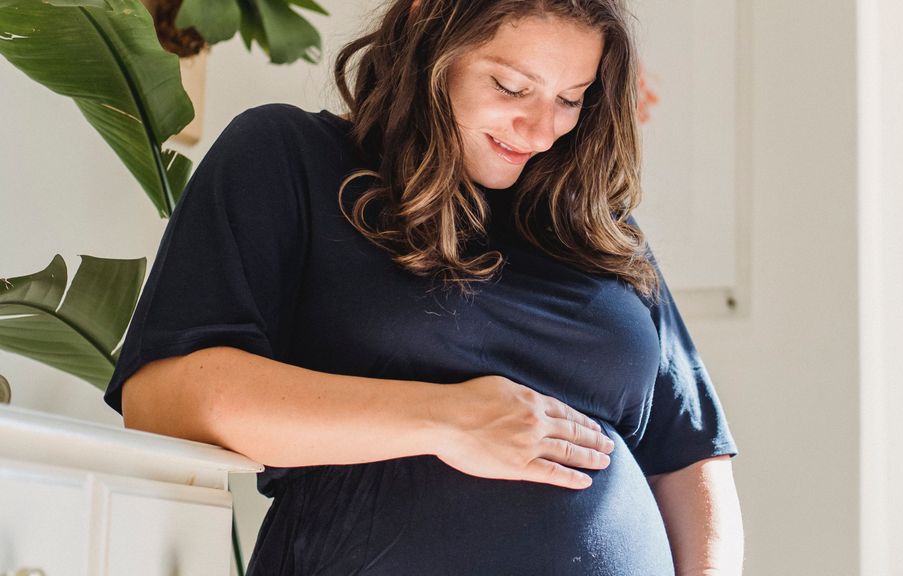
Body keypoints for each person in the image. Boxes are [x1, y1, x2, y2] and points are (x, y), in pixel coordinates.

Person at [104, 0, 743, 574]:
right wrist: (446, 419)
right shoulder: (290, 157)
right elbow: (162, 399)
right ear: (428, 36)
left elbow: (689, 456)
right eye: (511, 86)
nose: (541, 128)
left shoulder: (598, 228)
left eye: (570, 98)